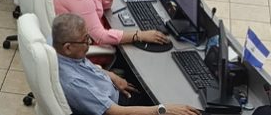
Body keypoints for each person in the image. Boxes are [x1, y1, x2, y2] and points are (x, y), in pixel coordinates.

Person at [52, 13, 199, 115]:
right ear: (68, 47)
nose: (90, 42)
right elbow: (114, 112)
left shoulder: (65, 52)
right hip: (121, 108)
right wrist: (162, 110)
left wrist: (111, 76)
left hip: (114, 91)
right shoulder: (74, 82)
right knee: (176, 105)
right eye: (85, 40)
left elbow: (86, 67)